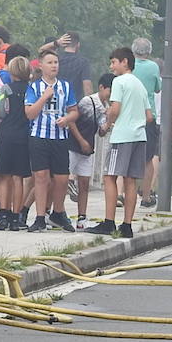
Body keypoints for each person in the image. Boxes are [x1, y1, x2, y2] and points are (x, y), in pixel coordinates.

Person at [90, 47, 149, 239]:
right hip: (139, 137)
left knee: (110, 176)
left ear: (125, 62)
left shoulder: (119, 81)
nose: (111, 66)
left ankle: (109, 222)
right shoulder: (140, 85)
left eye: (114, 62)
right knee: (130, 180)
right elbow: (149, 116)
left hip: (122, 136)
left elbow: (115, 109)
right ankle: (127, 225)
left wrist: (108, 122)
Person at [24, 50, 78, 232]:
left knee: (62, 178)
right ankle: (39, 217)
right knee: (41, 178)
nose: (54, 65)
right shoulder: (34, 87)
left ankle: (58, 212)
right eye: (50, 62)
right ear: (41, 65)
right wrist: (44, 97)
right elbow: (30, 114)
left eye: (56, 62)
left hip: (60, 137)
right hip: (39, 136)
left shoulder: (66, 86)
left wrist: (67, 119)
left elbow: (74, 111)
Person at [0, 56, 31, 230]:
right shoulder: (30, 90)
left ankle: (3, 215)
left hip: (6, 133)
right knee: (18, 178)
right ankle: (16, 217)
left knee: (4, 176)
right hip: (24, 134)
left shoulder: (6, 89)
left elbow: (1, 111)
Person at [67, 73, 107, 228]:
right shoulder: (87, 102)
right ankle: (50, 212)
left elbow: (102, 131)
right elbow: (72, 121)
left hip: (88, 149)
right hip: (74, 146)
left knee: (84, 183)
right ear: (102, 88)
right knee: (60, 181)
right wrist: (81, 140)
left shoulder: (106, 107)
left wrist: (109, 121)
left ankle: (82, 217)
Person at [132, 36, 162, 207]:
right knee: (148, 158)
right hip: (148, 116)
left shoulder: (129, 66)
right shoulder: (153, 67)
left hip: (130, 116)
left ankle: (122, 193)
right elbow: (158, 88)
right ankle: (146, 196)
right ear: (149, 52)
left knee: (127, 156)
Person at [56, 31, 93, 102]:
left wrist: (56, 43)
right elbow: (87, 86)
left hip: (58, 102)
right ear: (78, 44)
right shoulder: (83, 62)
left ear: (63, 44)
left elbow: (41, 51)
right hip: (76, 103)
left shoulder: (55, 60)